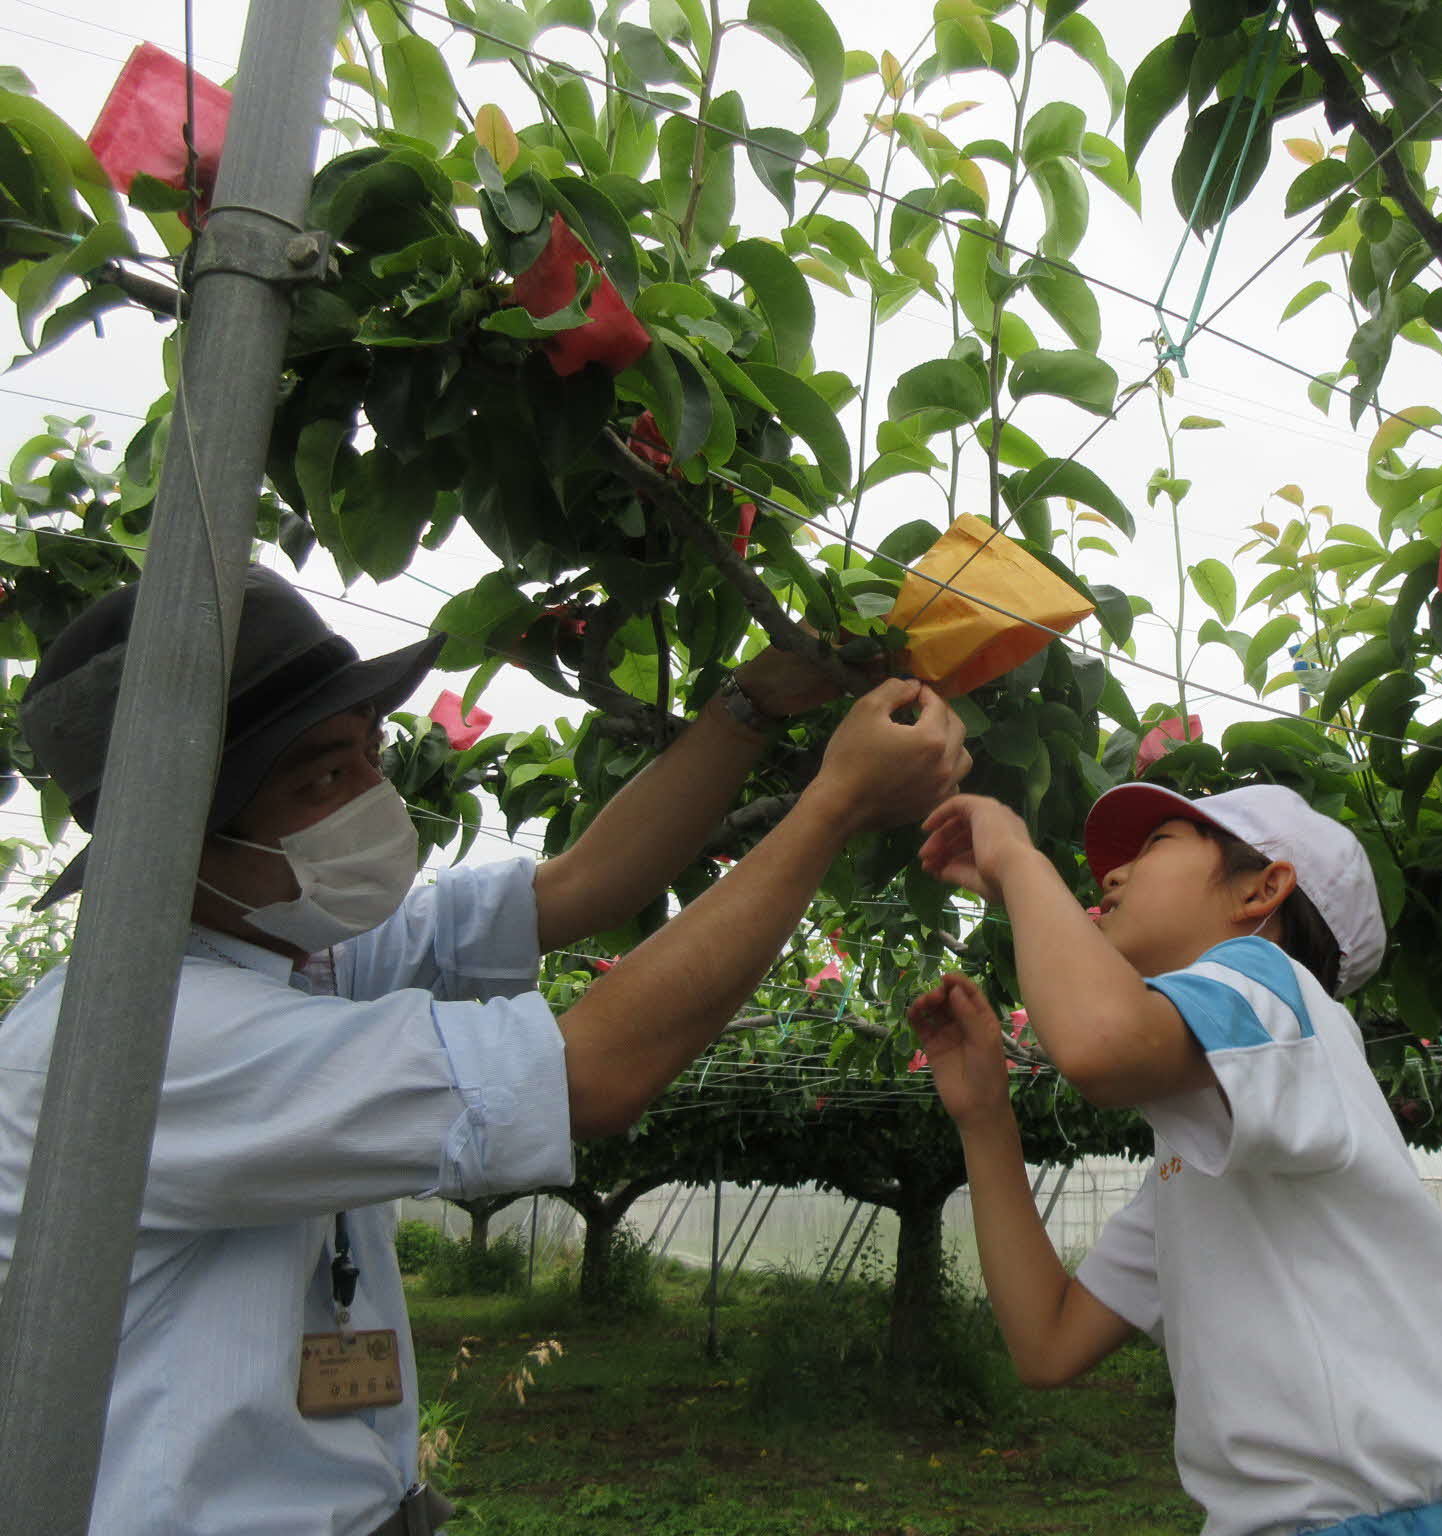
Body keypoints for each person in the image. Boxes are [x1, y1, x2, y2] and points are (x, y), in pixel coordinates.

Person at [0, 562, 970, 1536]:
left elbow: (574, 890)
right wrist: (832, 807)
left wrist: (751, 704)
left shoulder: (288, 954)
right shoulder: (141, 1039)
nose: (374, 797)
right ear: (183, 839)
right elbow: (587, 1077)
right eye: (324, 776)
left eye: (369, 754)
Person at [909, 781, 1442, 1536]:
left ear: (1262, 891)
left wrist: (1016, 857)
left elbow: (1101, 1044)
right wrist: (986, 1120)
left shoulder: (1278, 988)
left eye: (1157, 845)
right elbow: (1048, 1341)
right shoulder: (1203, 1160)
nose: (1112, 875)